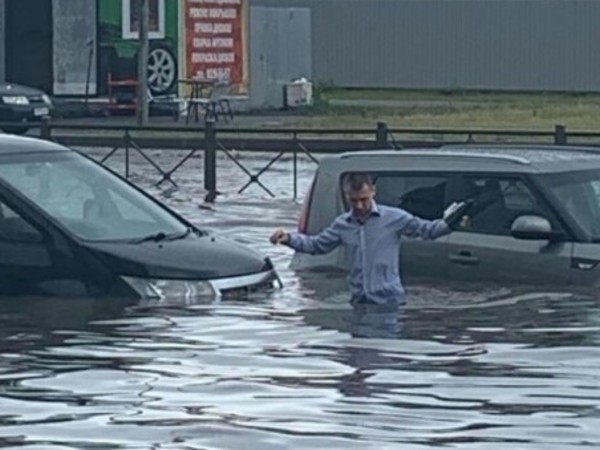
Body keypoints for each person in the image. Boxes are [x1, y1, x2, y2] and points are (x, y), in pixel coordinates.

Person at [270, 172, 471, 305]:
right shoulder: (343, 224)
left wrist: (450, 223)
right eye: (353, 200)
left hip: (389, 303)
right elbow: (317, 245)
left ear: (373, 192)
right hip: (359, 302)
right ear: (347, 196)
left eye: (364, 199)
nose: (358, 206)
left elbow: (427, 230)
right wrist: (288, 238)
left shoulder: (394, 217)